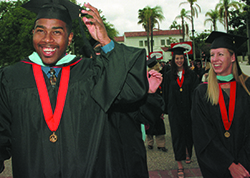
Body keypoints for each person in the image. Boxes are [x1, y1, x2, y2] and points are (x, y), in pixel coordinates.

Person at [0, 0, 150, 177]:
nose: (47, 39)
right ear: (32, 33)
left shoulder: (92, 72)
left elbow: (132, 89)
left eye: (57, 32)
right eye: (40, 31)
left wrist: (106, 41)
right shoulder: (11, 78)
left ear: (70, 37)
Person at [191, 31, 250, 178]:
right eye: (212, 55)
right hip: (217, 168)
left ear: (233, 57)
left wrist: (243, 164)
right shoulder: (202, 92)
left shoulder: (247, 87)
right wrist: (229, 165)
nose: (214, 59)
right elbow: (202, 134)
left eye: (220, 54)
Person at [162, 47, 199, 178]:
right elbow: (165, 93)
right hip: (174, 110)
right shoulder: (168, 75)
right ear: (173, 59)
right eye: (177, 58)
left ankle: (188, 151)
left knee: (189, 134)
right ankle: (180, 165)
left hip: (188, 109)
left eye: (181, 58)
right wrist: (163, 110)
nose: (179, 60)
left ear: (185, 59)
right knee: (177, 136)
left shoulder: (191, 74)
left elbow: (195, 92)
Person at [145, 56, 168, 152]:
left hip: (148, 103)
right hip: (157, 103)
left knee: (149, 123)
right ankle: (160, 144)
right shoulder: (159, 76)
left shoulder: (146, 76)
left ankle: (150, 143)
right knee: (159, 124)